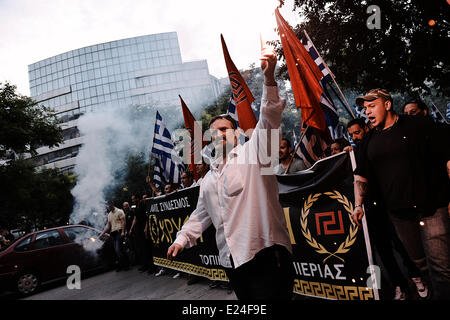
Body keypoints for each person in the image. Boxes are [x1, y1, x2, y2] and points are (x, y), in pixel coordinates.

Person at [167, 47, 295, 300]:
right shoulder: (209, 178)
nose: (218, 134)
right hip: (232, 262)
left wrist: (269, 80)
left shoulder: (257, 155)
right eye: (213, 131)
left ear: (237, 135)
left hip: (265, 255)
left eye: (224, 129)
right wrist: (182, 239)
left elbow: (269, 120)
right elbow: (201, 214)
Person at [352, 88, 450, 299]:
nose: (367, 112)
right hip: (400, 216)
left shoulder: (416, 125)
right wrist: (358, 205)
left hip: (431, 208)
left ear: (387, 105)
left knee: (441, 267)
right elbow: (361, 177)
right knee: (419, 264)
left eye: (372, 106)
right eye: (365, 108)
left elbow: (446, 156)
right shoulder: (369, 141)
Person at [346, 117, 427, 300]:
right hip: (371, 210)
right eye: (351, 135)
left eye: (357, 132)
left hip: (390, 206)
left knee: (402, 245)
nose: (355, 137)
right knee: (384, 251)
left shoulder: (379, 144)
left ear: (366, 129)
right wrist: (349, 154)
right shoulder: (356, 152)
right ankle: (400, 285)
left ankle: (418, 278)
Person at [99, 201, 130, 271]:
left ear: (112, 205)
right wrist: (101, 234)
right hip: (113, 234)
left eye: (108, 206)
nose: (107, 208)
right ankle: (124, 264)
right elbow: (108, 225)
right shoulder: (109, 214)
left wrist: (122, 232)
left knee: (118, 249)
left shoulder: (119, 211)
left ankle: (125, 265)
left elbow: (123, 222)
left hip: (119, 232)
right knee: (119, 250)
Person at [129, 194, 156, 274]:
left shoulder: (143, 205)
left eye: (134, 199)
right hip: (139, 229)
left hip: (145, 227)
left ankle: (152, 266)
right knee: (142, 248)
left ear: (137, 198)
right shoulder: (136, 207)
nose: (132, 201)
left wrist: (146, 228)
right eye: (132, 199)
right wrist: (131, 229)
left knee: (147, 247)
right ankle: (145, 265)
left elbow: (147, 216)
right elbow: (135, 218)